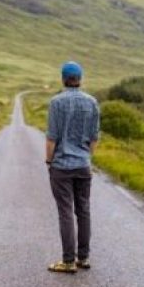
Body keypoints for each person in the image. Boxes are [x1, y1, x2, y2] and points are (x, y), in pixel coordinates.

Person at [46, 61, 100, 274]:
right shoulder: (92, 102)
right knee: (84, 210)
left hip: (61, 165)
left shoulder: (56, 102)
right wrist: (86, 157)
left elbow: (52, 137)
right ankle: (83, 258)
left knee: (65, 211)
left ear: (63, 79)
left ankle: (68, 261)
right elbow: (94, 138)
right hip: (83, 164)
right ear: (80, 79)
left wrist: (49, 161)